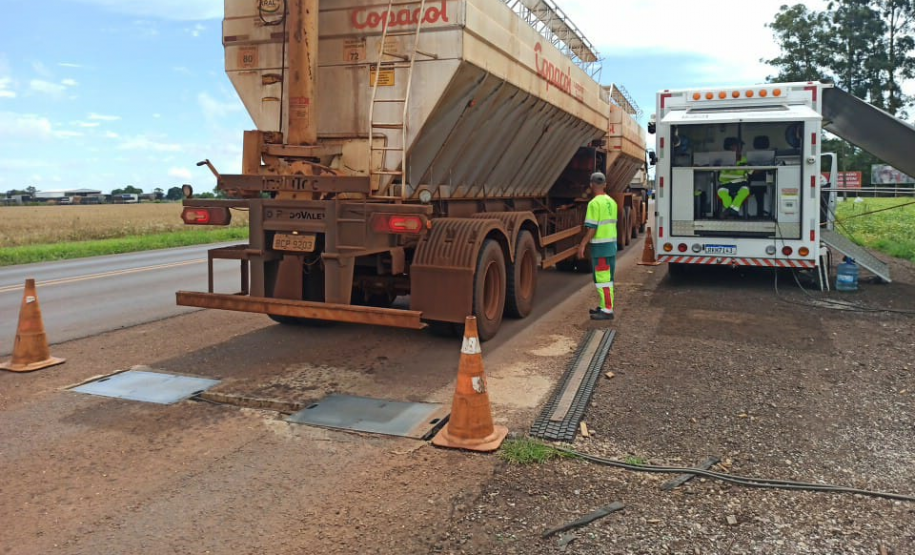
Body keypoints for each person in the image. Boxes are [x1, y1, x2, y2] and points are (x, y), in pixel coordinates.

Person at [577, 172, 618, 321]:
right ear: (605, 185)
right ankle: (604, 306)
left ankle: (607, 310)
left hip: (601, 248)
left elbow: (592, 228)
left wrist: (582, 244)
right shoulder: (611, 202)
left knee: (603, 280)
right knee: (607, 278)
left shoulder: (594, 203)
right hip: (610, 246)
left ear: (591, 185)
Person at [717, 136, 751, 218]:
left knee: (745, 191)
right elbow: (710, 167)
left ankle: (728, 211)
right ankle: (733, 211)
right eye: (737, 146)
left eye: (740, 147)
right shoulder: (721, 159)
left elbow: (753, 171)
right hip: (725, 184)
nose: (739, 149)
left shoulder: (745, 160)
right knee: (722, 192)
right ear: (730, 148)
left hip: (741, 183)